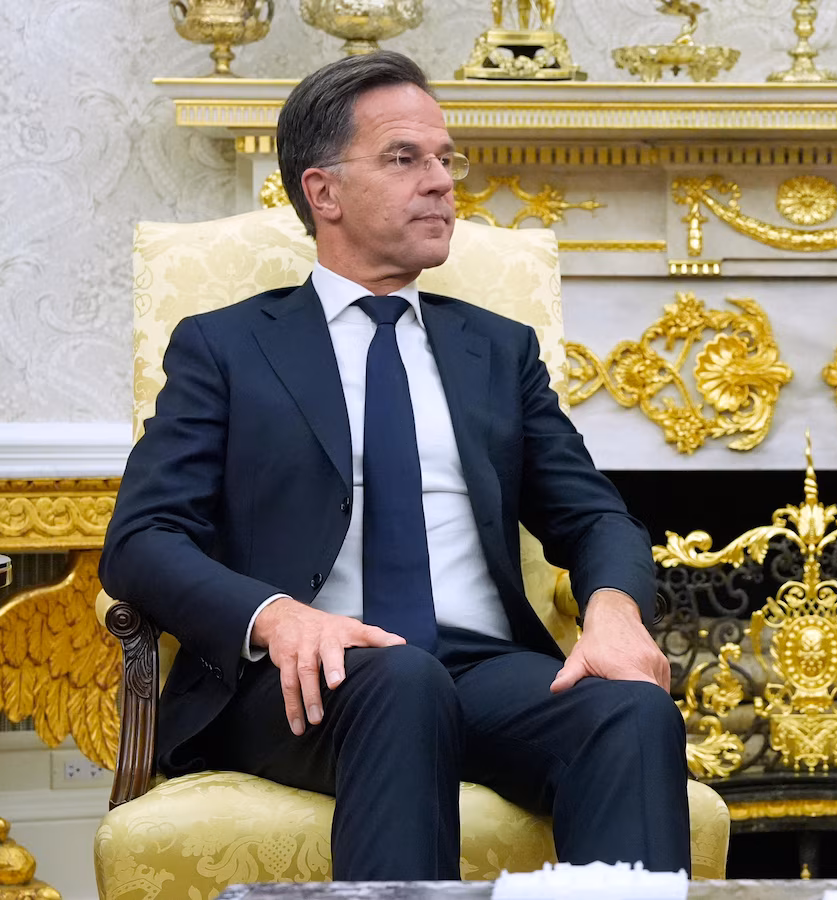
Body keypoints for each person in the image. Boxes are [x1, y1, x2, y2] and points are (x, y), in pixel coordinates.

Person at [100, 51, 689, 880]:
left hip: (479, 669)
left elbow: (594, 516)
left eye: (446, 159)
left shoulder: (496, 350)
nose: (441, 181)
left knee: (629, 711)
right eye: (405, 158)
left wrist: (615, 613)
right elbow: (143, 540)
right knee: (402, 682)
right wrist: (277, 617)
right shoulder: (225, 347)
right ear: (324, 192)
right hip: (305, 680)